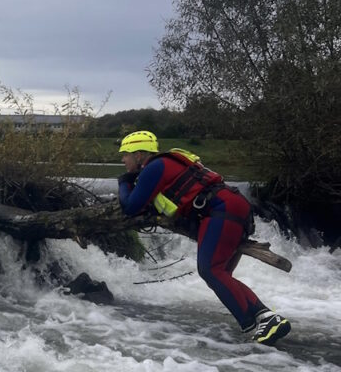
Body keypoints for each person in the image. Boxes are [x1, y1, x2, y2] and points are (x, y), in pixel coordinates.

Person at [116, 130, 291, 346]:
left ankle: (265, 318)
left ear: (139, 154)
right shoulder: (161, 165)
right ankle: (264, 318)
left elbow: (131, 207)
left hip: (222, 210)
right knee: (221, 274)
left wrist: (124, 182)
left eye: (125, 154)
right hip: (233, 207)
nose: (123, 159)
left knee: (211, 270)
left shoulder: (154, 167)